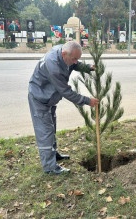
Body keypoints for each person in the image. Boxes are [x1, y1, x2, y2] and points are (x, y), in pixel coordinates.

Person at [28, 41, 99, 175]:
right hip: (40, 98)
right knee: (45, 132)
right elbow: (66, 92)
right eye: (74, 59)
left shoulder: (65, 55)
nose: (75, 61)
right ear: (64, 54)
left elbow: (75, 65)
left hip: (49, 97)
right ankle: (50, 168)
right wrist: (87, 101)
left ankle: (53, 155)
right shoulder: (53, 65)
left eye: (78, 58)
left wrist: (88, 67)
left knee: (52, 127)